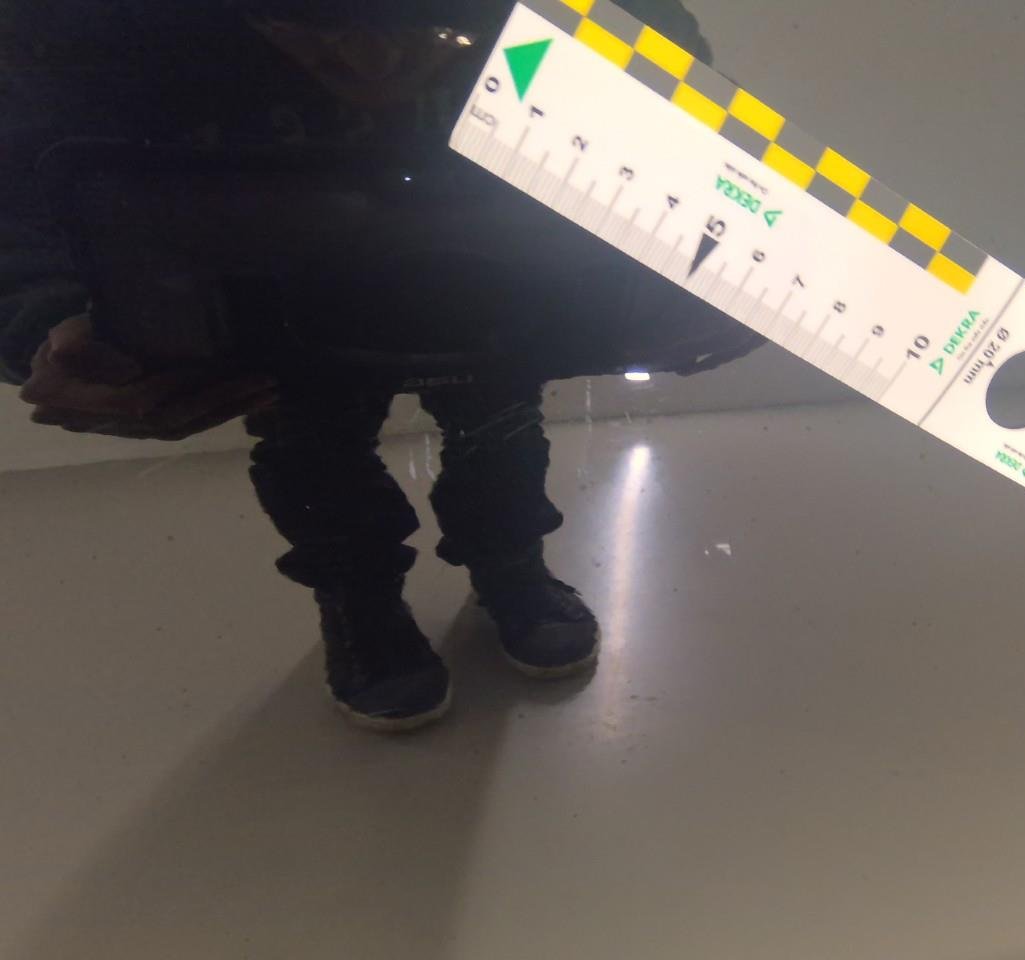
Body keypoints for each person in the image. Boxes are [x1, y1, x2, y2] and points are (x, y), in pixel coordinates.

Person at [2, 0, 762, 731]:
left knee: (489, 425)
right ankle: (363, 599)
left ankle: (504, 565)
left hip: (474, 278)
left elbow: (686, 119)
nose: (373, 60)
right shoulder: (76, 21)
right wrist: (45, 314)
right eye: (302, 20)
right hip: (290, 287)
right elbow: (16, 175)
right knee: (321, 447)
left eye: (425, 21)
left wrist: (721, 264)